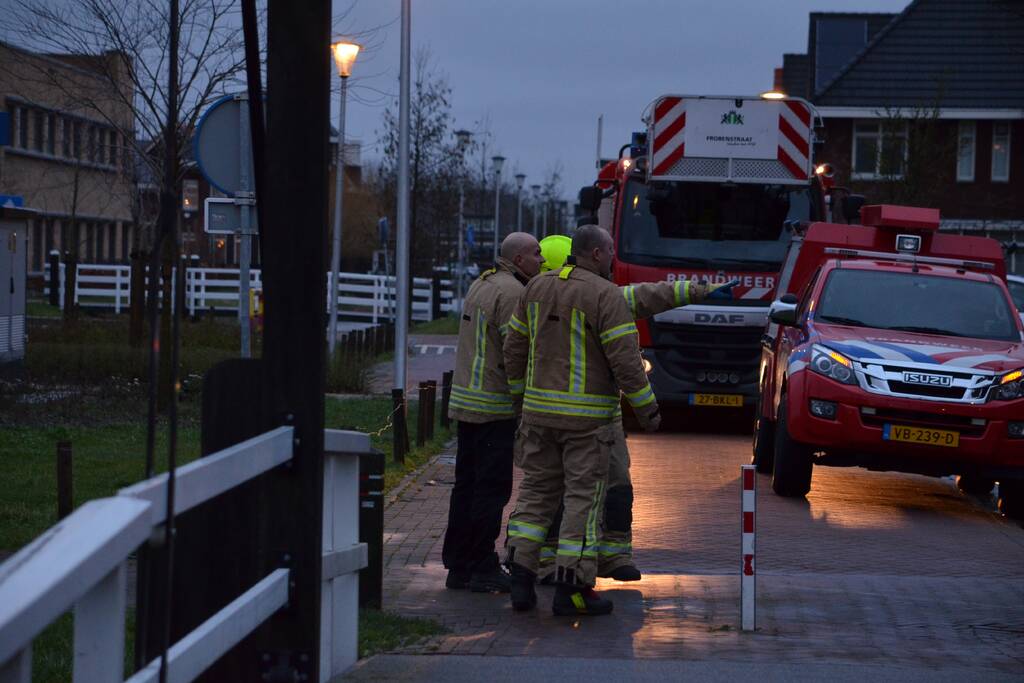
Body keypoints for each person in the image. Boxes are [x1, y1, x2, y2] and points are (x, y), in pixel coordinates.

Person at [533, 234, 737, 583]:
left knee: (615, 485)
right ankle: (557, 565)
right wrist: (647, 411)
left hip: (596, 416)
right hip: (576, 418)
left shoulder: (594, 296)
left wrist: (699, 291)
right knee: (564, 494)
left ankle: (612, 556)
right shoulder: (542, 302)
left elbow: (647, 296)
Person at [502, 225, 660, 616]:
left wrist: (520, 396)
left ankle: (520, 579)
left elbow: (514, 346)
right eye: (610, 251)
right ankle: (571, 590)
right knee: (582, 502)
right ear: (596, 254)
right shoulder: (606, 295)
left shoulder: (535, 288)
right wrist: (647, 410)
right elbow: (626, 361)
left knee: (536, 494)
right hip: (587, 423)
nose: (613, 258)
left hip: (538, 417)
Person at [442, 232, 545, 593]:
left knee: (466, 487)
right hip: (494, 408)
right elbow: (516, 351)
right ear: (518, 260)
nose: (542, 260)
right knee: (492, 489)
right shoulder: (513, 293)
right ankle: (482, 565)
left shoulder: (482, 284)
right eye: (536, 254)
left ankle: (458, 565)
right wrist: (524, 399)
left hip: (467, 405)